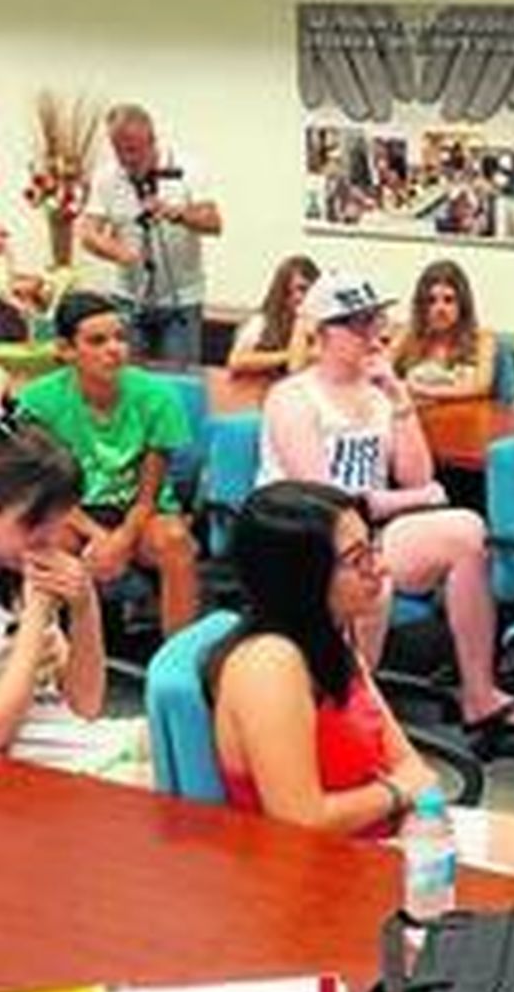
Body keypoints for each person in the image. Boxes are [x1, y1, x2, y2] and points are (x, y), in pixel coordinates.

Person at [205, 480, 514, 886]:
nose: (379, 567)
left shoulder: (329, 637)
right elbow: (301, 821)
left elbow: (410, 764)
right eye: (356, 559)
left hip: (388, 834)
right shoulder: (270, 665)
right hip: (322, 872)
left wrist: (411, 798)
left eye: (372, 547)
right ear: (302, 580)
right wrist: (398, 793)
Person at [258, 268, 514, 731]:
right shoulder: (293, 398)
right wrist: (413, 498)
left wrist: (398, 396)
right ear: (323, 334)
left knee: (466, 531)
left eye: (375, 320)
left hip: (363, 534)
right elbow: (326, 501)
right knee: (373, 580)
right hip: (304, 542)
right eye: (357, 323)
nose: (373, 333)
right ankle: (351, 706)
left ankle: (479, 694)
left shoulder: (377, 395)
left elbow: (420, 475)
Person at [17, 291, 199, 636]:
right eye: (97, 341)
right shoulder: (38, 401)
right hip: (71, 509)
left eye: (120, 338)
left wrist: (122, 540)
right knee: (42, 542)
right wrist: (97, 536)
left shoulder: (157, 397)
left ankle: (176, 667)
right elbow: (46, 487)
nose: (114, 349)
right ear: (67, 349)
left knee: (175, 541)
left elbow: (148, 496)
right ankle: (47, 660)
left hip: (139, 513)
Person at [0, 419, 146, 782]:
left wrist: (84, 606)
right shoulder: (28, 593)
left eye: (55, 524)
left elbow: (86, 704)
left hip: (78, 742)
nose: (48, 541)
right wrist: (34, 619)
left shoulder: (15, 577)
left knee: (192, 735)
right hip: (42, 772)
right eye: (34, 525)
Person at [78, 104, 222, 364]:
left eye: (133, 149)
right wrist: (120, 253)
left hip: (181, 301)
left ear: (152, 139)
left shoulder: (189, 168)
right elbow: (87, 233)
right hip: (128, 300)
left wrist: (177, 214)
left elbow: (214, 223)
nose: (127, 159)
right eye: (119, 150)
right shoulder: (106, 177)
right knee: (127, 382)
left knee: (177, 385)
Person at [391, 259, 498, 401]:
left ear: (463, 304)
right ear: (422, 305)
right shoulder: (409, 334)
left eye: (448, 300)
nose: (440, 309)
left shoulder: (482, 338)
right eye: (431, 300)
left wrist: (423, 391)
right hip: (416, 418)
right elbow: (382, 371)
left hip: (466, 418)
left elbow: (481, 387)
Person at [227, 255, 319, 375]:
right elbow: (235, 361)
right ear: (283, 290)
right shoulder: (263, 322)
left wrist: (301, 325)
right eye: (301, 289)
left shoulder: (322, 324)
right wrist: (289, 355)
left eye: (312, 289)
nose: (305, 296)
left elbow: (295, 368)